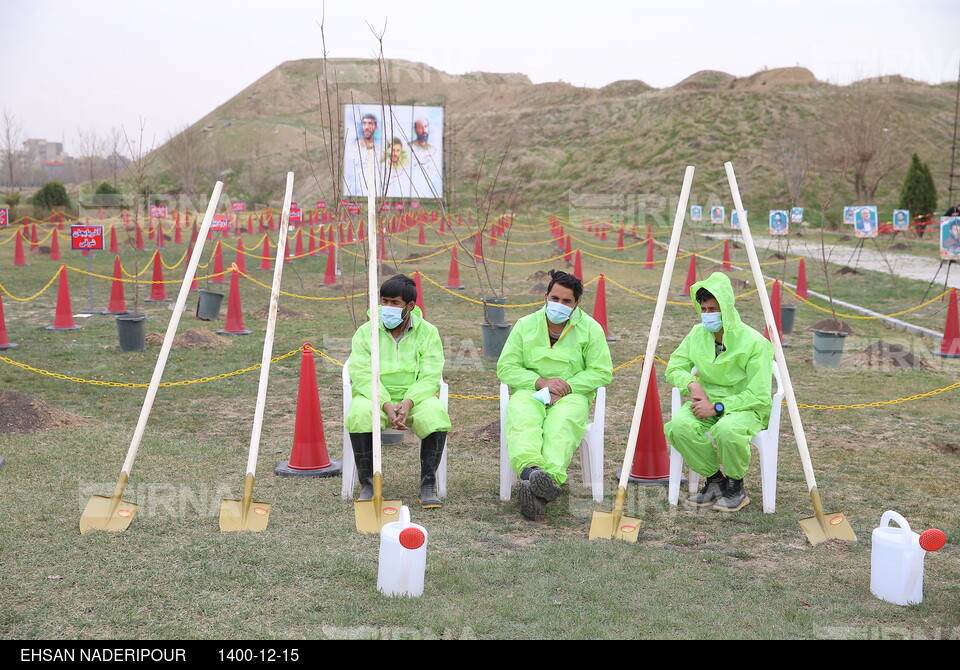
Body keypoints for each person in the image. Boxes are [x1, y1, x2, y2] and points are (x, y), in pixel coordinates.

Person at [497, 270, 613, 520]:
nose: (559, 305)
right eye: (555, 298)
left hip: (571, 394)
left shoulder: (590, 329)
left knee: (561, 426)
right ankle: (532, 472)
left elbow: (602, 372)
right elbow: (505, 368)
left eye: (566, 301)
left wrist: (566, 386)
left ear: (576, 304)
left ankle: (541, 483)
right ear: (545, 296)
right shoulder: (525, 325)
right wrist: (540, 382)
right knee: (522, 417)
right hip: (531, 391)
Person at [663, 272, 773, 512]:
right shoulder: (696, 334)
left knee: (726, 429)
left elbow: (760, 393)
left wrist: (718, 407)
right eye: (704, 309)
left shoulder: (754, 341)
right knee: (679, 426)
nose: (708, 315)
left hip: (745, 408)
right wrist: (692, 384)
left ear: (727, 308)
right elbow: (673, 367)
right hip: (707, 403)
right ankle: (715, 480)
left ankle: (737, 486)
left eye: (713, 309)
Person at [345, 274, 451, 509]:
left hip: (415, 397)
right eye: (384, 301)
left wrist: (409, 402)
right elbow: (361, 372)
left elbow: (430, 374)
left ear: (410, 306)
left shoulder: (428, 332)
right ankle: (368, 484)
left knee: (435, 415)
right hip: (373, 396)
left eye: (395, 303)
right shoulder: (366, 331)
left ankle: (428, 484)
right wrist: (384, 403)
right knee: (360, 415)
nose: (388, 307)